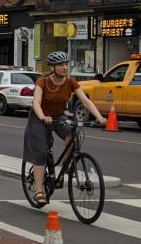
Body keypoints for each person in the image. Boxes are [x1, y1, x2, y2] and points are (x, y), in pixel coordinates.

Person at [22, 51, 107, 205]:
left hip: (58, 116)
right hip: (39, 117)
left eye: (66, 64)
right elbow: (36, 102)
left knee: (73, 136)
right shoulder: (43, 81)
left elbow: (85, 101)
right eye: (60, 65)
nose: (64, 67)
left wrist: (99, 116)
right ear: (53, 67)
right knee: (41, 151)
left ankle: (67, 167)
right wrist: (42, 117)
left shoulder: (71, 82)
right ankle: (39, 190)